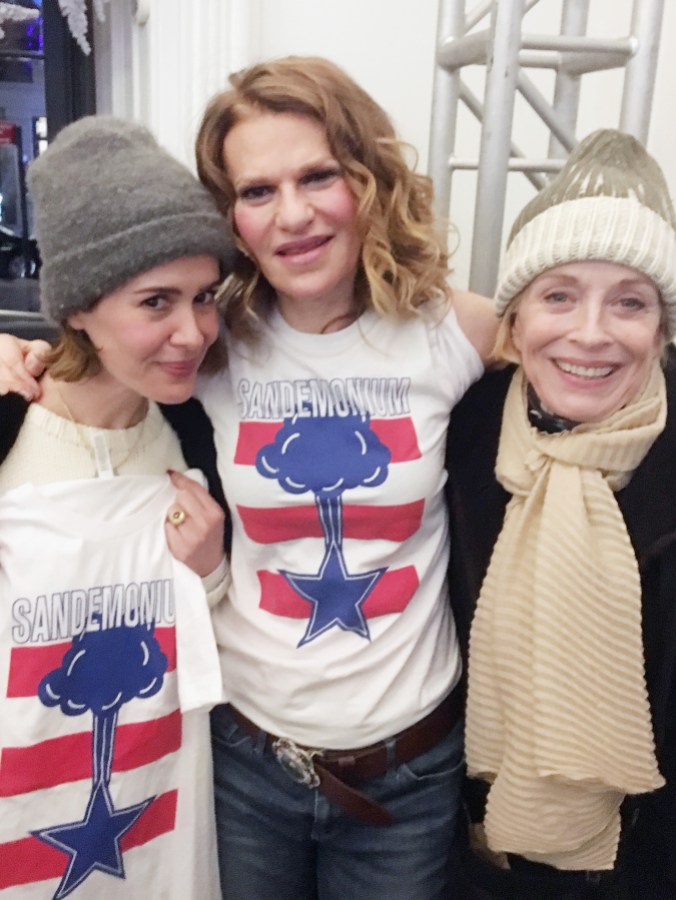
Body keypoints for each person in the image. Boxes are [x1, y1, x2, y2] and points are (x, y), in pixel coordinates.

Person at [1, 57, 498, 899]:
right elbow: (113, 335)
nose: (294, 214)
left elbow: (580, 358)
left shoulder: (456, 329)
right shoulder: (215, 346)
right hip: (245, 762)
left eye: (317, 176)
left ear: (367, 179)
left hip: (408, 767)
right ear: (228, 214)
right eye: (257, 190)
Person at [445, 129, 676, 899]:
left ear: (659, 330)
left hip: (639, 864)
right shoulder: (460, 430)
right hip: (466, 852)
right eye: (558, 295)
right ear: (514, 322)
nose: (590, 333)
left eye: (628, 302)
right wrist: (77, 372)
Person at [0, 115, 236, 898]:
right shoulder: (8, 428)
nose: (193, 331)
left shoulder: (198, 433)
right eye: (155, 301)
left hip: (161, 833)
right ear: (75, 307)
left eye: (204, 297)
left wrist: (207, 574)